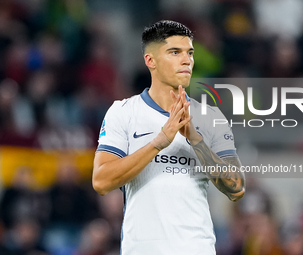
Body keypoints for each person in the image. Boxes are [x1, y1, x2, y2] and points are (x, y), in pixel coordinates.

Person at [92, 20, 245, 255]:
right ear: (150, 60)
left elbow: (236, 188)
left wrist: (195, 139)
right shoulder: (123, 112)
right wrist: (158, 142)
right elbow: (101, 181)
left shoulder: (211, 117)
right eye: (175, 52)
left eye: (190, 53)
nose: (187, 60)